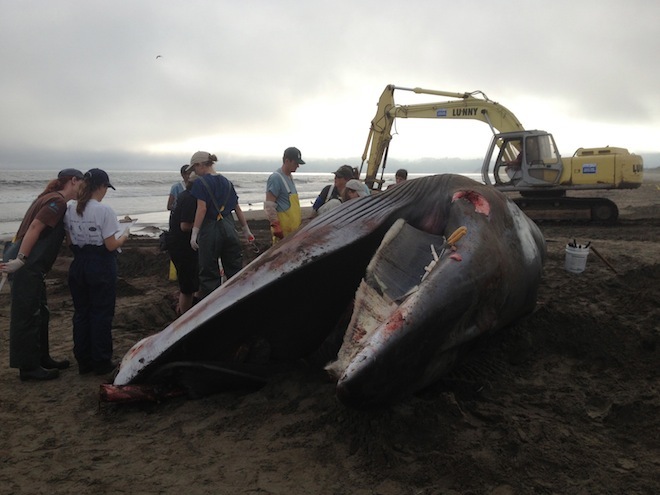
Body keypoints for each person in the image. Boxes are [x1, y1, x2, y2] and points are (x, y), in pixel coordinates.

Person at [1, 169, 83, 381]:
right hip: (26, 265)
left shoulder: (49, 198)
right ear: (73, 181)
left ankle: (42, 358)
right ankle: (28, 368)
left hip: (34, 267)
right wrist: (21, 259)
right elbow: (34, 227)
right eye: (82, 183)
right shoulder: (57, 201)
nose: (83, 189)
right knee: (27, 314)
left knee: (41, 312)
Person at [64, 169, 129, 376]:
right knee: (101, 312)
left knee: (81, 312)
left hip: (79, 262)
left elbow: (69, 241)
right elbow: (111, 245)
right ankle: (101, 360)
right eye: (106, 188)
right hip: (101, 264)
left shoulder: (70, 208)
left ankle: (83, 360)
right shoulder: (104, 210)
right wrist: (124, 236)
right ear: (101, 187)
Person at [187, 151, 254, 299]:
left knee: (209, 273)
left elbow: (202, 209)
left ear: (200, 165)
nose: (194, 172)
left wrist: (194, 233)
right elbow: (237, 208)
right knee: (234, 269)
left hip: (210, 231)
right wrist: (246, 230)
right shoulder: (227, 182)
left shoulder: (200, 182)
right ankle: (238, 299)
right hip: (229, 228)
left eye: (194, 168)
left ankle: (215, 304)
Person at [167, 171, 199, 314]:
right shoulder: (190, 198)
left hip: (177, 244)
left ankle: (186, 309)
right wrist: (200, 225)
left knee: (191, 282)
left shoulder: (183, 195)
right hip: (182, 246)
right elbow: (185, 226)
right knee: (188, 287)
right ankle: (185, 316)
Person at [264, 147, 304, 244]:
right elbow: (269, 205)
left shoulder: (290, 177)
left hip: (294, 232)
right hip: (283, 234)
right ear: (287, 161)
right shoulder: (276, 178)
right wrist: (276, 226)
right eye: (295, 163)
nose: (298, 166)